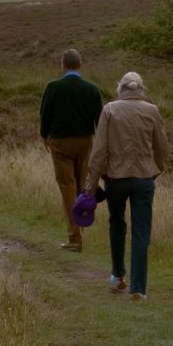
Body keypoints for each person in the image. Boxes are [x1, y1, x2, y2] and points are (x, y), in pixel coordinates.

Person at [84, 71, 169, 299]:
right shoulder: (152, 110)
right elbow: (162, 146)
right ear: (141, 88)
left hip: (115, 179)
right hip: (143, 178)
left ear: (120, 88)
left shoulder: (110, 109)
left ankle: (118, 275)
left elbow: (99, 149)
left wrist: (91, 183)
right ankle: (139, 289)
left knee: (117, 224)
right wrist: (157, 169)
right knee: (141, 232)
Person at [39, 48, 103, 252]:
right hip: (85, 142)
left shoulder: (53, 87)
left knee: (67, 187)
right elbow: (99, 120)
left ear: (62, 65)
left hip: (60, 143)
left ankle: (75, 238)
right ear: (80, 64)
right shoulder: (92, 89)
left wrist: (45, 136)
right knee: (82, 187)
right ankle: (81, 230)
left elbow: (45, 114)